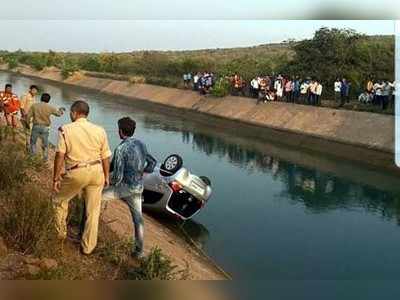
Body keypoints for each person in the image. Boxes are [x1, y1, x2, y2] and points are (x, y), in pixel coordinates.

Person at [52, 100, 112, 255]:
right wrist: (107, 176)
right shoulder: (100, 130)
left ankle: (60, 235)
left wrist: (56, 178)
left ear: (74, 113)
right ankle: (88, 247)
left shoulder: (65, 129)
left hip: (77, 171)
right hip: (97, 171)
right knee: (93, 211)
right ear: (87, 113)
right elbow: (106, 156)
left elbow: (60, 155)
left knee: (59, 201)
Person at [102, 117, 148, 259]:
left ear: (121, 131)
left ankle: (84, 230)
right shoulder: (141, 143)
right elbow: (150, 163)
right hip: (138, 187)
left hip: (124, 188)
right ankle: (139, 252)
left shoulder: (121, 149)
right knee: (138, 220)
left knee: (94, 199)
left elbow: (117, 176)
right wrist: (139, 172)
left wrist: (106, 181)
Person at [26, 93, 64, 161]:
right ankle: (45, 158)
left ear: (41, 98)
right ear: (49, 100)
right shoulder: (50, 107)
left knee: (33, 142)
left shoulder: (34, 106)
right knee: (45, 144)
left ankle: (33, 157)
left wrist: (27, 124)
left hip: (36, 126)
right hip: (45, 128)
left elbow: (28, 116)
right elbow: (58, 114)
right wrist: (61, 110)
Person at [20, 85, 39, 149]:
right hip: (26, 117)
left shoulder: (34, 97)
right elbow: (22, 107)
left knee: (30, 132)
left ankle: (29, 146)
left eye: (36, 91)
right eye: (33, 90)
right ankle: (28, 146)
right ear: (30, 89)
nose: (35, 92)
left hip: (32, 118)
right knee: (28, 132)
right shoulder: (25, 96)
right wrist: (25, 118)